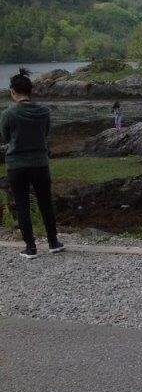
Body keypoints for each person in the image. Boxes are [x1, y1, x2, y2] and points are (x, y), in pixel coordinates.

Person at [1, 70, 64, 258]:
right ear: (31, 91)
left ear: (12, 91)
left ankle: (30, 248)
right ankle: (53, 242)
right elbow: (45, 134)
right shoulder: (44, 111)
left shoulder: (8, 113)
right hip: (40, 163)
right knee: (45, 202)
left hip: (16, 164)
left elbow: (5, 138)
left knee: (22, 205)